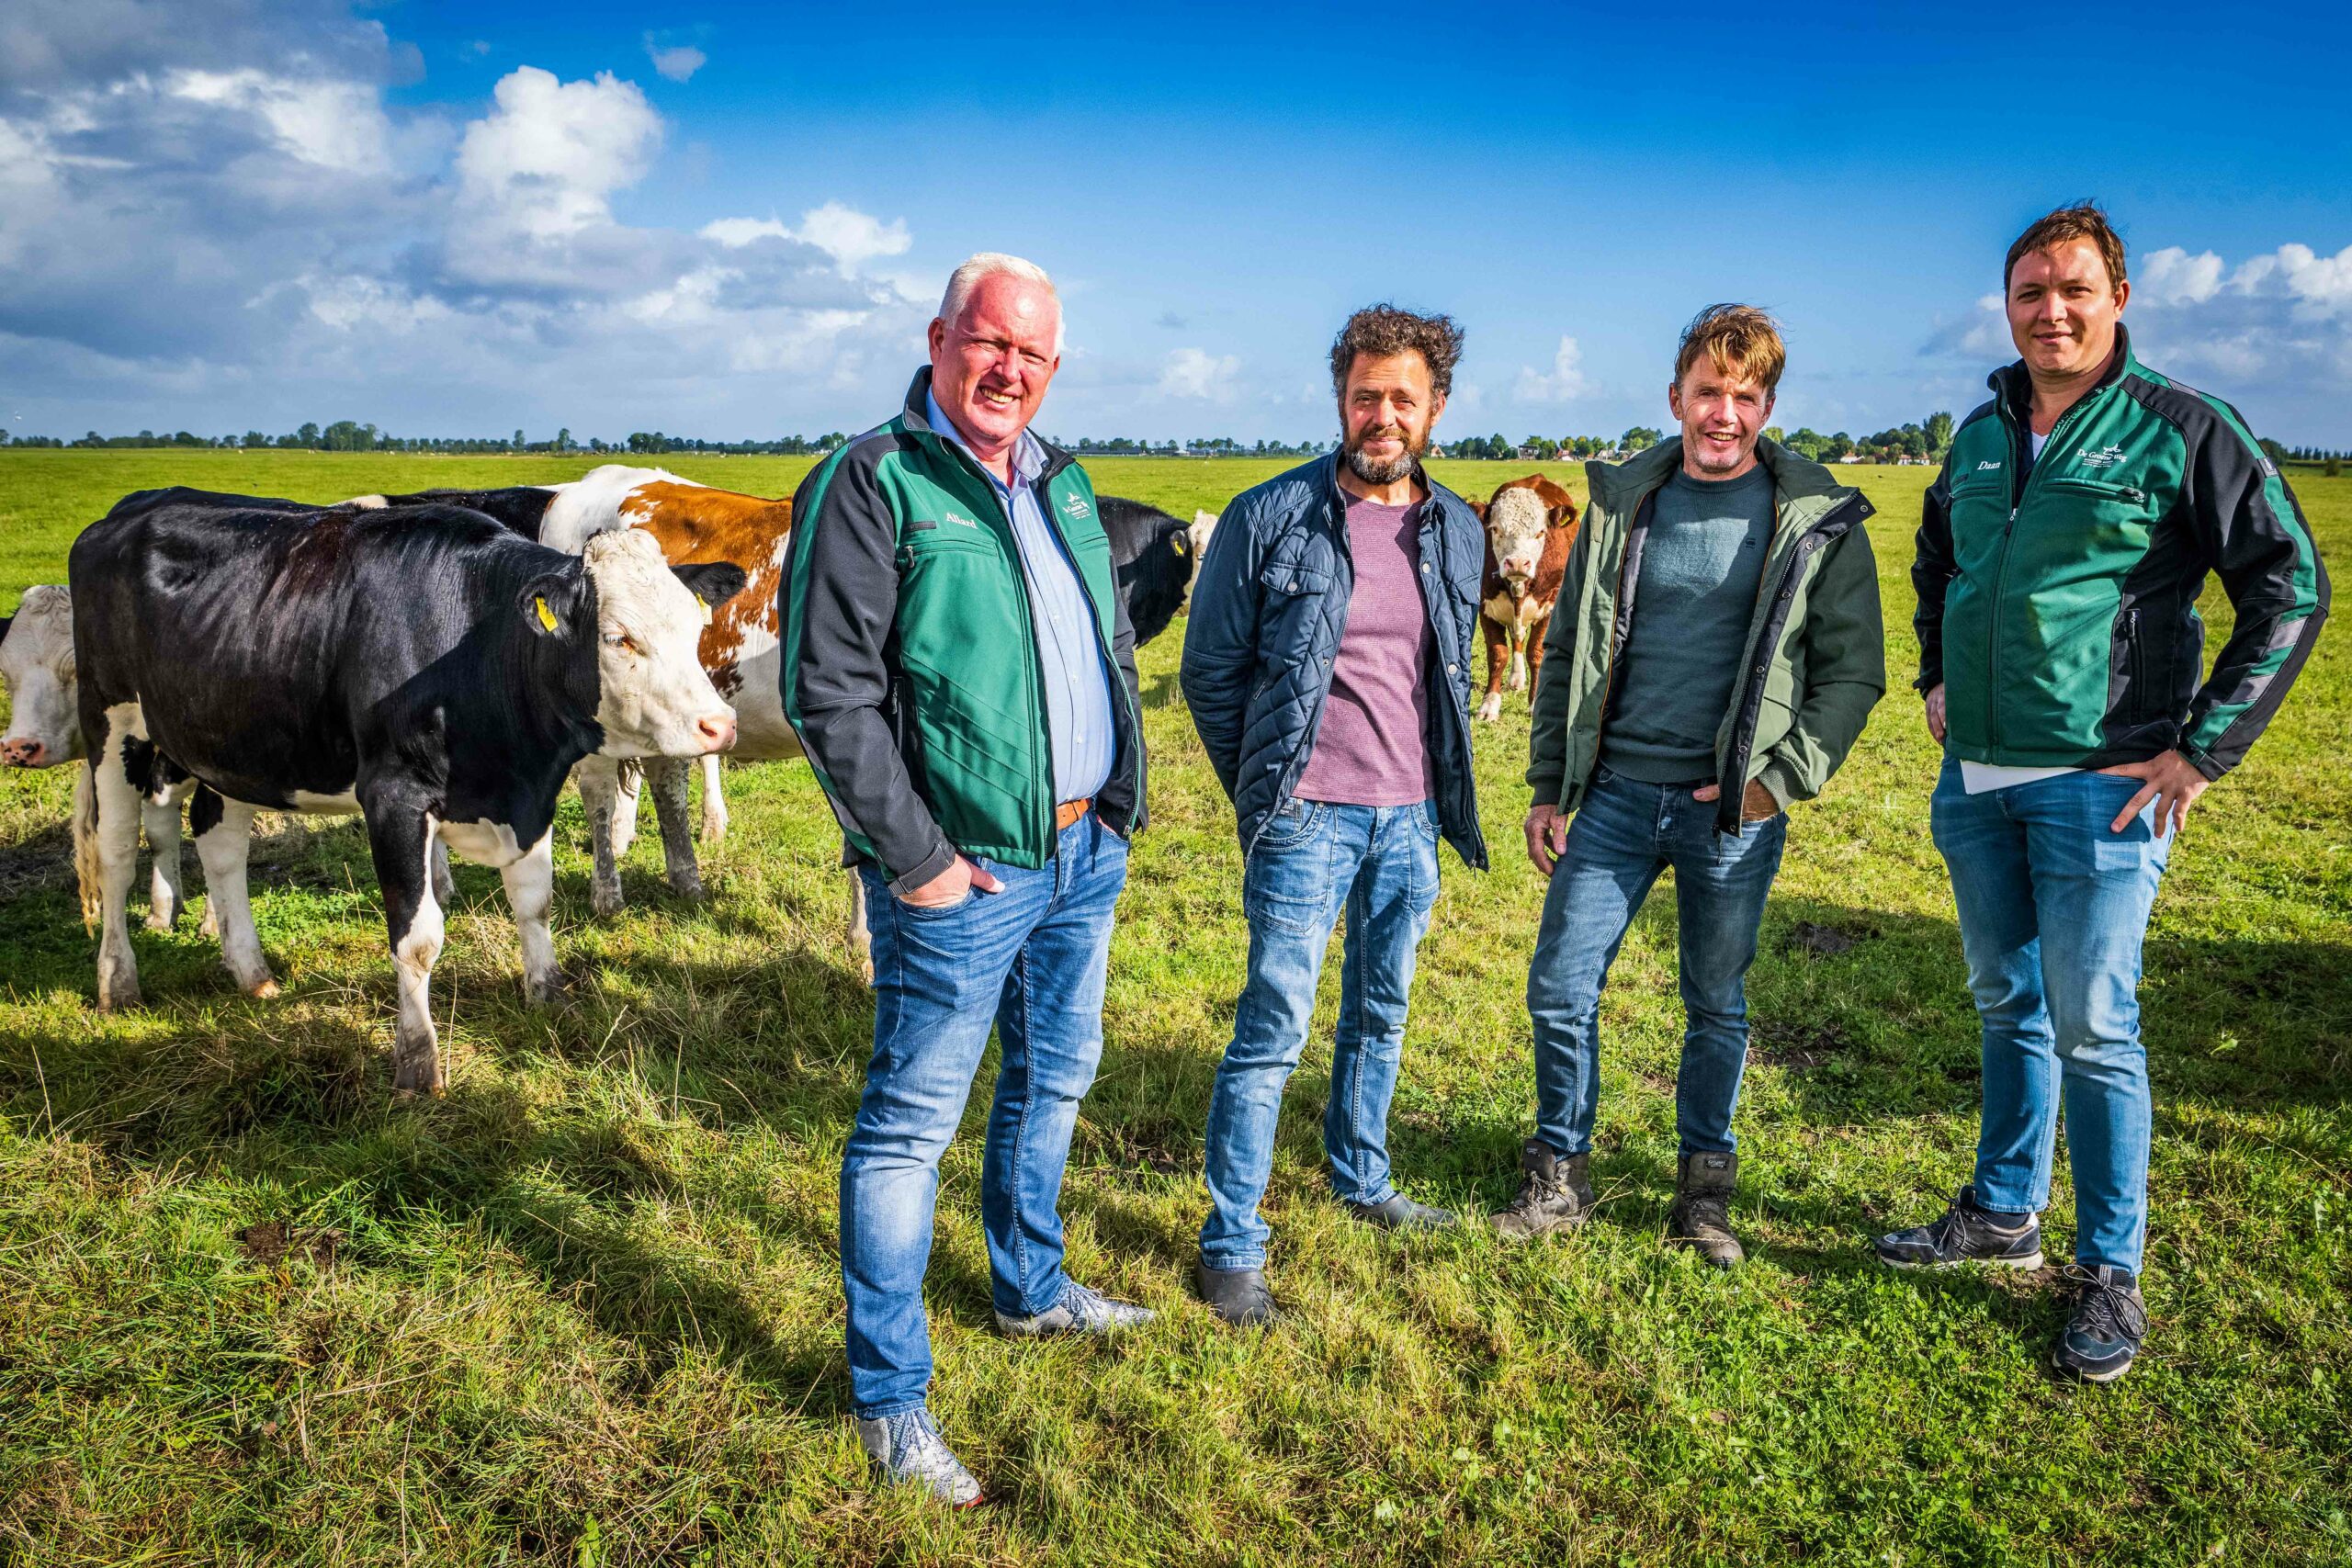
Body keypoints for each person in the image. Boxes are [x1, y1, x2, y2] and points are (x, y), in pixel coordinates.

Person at [1881, 205, 2328, 1381]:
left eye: (2073, 289)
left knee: (2094, 1025)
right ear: (2008, 305)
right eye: (2030, 292)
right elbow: (1938, 560)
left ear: (2118, 297)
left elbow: (2289, 585)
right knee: (2004, 1003)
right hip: (1974, 779)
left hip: (2103, 786)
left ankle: (2109, 1271)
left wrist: (2200, 750)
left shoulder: (2181, 427)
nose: (2051, 310)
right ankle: (2000, 1208)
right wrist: (1933, 669)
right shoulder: (1979, 434)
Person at [780, 253, 1151, 1504]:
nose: (1008, 370)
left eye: (1032, 355)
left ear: (1054, 368)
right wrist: (923, 861)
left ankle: (1031, 1288)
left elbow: (1098, 646)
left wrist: (1114, 801)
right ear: (941, 338)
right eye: (988, 342)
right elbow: (825, 691)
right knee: (905, 1130)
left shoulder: (1062, 479)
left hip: (1081, 851)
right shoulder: (875, 478)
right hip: (969, 870)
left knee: (1056, 1073)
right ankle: (890, 1402)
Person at [1499, 305, 1885, 1266]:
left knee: (1715, 1001)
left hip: (1731, 811)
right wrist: (1550, 784)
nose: (1723, 413)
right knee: (1559, 986)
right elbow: (1566, 662)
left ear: (1765, 407)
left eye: (1743, 397)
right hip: (1617, 795)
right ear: (1676, 398)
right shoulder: (1625, 505)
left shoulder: (1814, 520)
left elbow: (1853, 673)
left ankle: (1703, 1194)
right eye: (1707, 392)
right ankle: (1559, 1174)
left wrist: (1774, 783)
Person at [1179, 305, 1490, 1326]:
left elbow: (1443, 675)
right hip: (1305, 818)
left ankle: (1362, 1179)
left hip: (1409, 818)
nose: (1382, 415)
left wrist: (1431, 797)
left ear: (1435, 407)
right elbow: (1209, 672)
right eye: (1365, 395)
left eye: (1403, 397)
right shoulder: (1268, 516)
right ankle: (1231, 1244)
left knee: (1382, 1012)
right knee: (1272, 1029)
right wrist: (1268, 790)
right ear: (1339, 401)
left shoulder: (1459, 528)